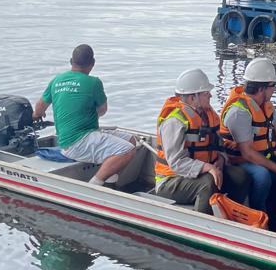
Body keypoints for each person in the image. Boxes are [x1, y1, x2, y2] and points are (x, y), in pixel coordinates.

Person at [219, 57, 276, 229]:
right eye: (273, 86)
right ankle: (260, 215)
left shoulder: (267, 106)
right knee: (261, 175)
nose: (275, 90)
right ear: (262, 88)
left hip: (267, 156)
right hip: (241, 162)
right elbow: (247, 153)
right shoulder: (239, 112)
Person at [33, 44, 136, 187]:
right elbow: (102, 110)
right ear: (92, 63)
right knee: (127, 149)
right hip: (78, 142)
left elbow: (39, 108)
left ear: (71, 61)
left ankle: (110, 180)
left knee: (131, 140)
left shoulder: (57, 80)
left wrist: (37, 115)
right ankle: (94, 185)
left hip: (70, 139)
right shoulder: (93, 83)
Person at [153, 68, 249, 213]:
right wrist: (208, 168)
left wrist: (221, 160)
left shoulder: (208, 115)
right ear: (193, 97)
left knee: (240, 176)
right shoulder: (174, 121)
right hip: (170, 180)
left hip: (201, 172)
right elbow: (177, 162)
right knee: (208, 183)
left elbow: (219, 145)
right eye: (206, 93)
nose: (210, 95)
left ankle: (230, 213)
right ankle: (204, 222)